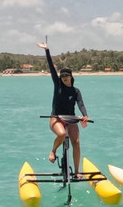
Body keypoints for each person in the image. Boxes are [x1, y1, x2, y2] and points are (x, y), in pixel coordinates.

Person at [37, 41, 89, 174]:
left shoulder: (76, 91)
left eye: (67, 75)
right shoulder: (58, 86)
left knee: (76, 143)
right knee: (61, 134)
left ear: (71, 76)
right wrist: (47, 50)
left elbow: (81, 104)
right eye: (63, 76)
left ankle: (76, 171)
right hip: (56, 118)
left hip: (71, 119)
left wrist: (85, 115)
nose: (64, 78)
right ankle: (53, 151)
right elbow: (51, 68)